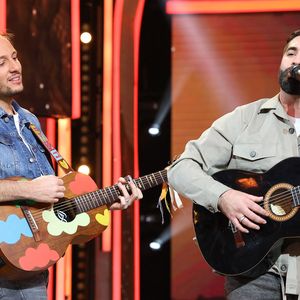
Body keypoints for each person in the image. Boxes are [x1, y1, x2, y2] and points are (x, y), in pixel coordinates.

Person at [0, 32, 142, 299]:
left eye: (15, 57)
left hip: (30, 272)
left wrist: (101, 201)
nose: (15, 67)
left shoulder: (29, 120)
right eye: (1, 63)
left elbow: (49, 202)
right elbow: (33, 192)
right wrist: (27, 190)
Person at [167, 29, 300, 300]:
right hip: (254, 276)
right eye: (291, 53)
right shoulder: (244, 119)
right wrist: (223, 197)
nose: (296, 61)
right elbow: (180, 168)